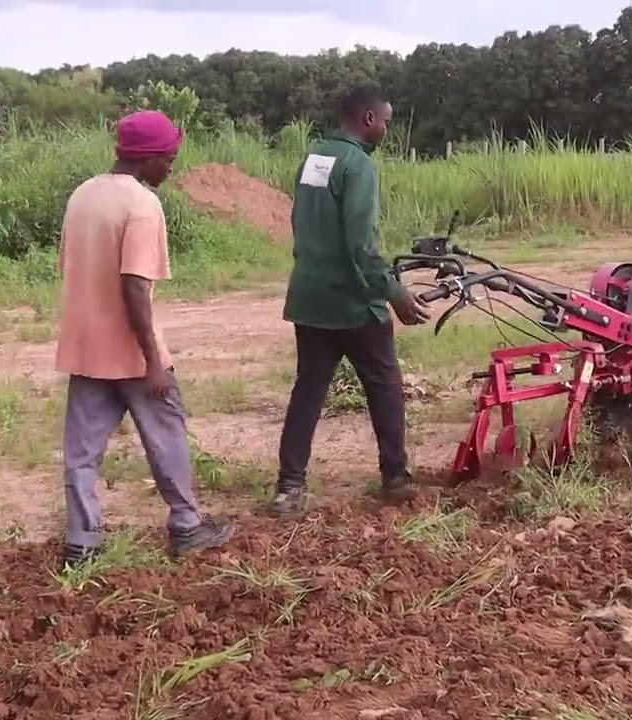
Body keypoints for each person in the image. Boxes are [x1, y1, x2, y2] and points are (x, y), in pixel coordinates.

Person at [55, 110, 235, 570]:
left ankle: (82, 541)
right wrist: (152, 360)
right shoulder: (141, 205)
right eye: (169, 158)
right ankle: (187, 526)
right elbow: (134, 285)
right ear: (148, 158)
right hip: (133, 353)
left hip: (85, 346)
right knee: (166, 435)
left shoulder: (82, 196)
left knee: (81, 450)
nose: (172, 167)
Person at [269, 86, 429, 518]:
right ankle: (395, 477)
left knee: (308, 391)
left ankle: (289, 488)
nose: (387, 129)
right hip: (354, 304)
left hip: (310, 300)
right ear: (369, 120)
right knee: (384, 386)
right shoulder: (358, 166)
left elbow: (302, 222)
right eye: (387, 122)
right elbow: (362, 246)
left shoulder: (313, 159)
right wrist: (395, 293)